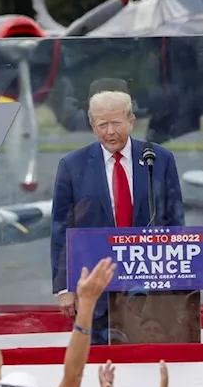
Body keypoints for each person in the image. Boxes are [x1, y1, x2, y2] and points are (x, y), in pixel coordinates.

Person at [49, 90, 185, 342]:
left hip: (149, 292)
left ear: (131, 121)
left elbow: (175, 222)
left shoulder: (159, 160)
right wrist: (65, 288)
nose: (110, 131)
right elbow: (61, 228)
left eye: (116, 123)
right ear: (92, 126)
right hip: (95, 292)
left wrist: (174, 281)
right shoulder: (72, 165)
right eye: (102, 125)